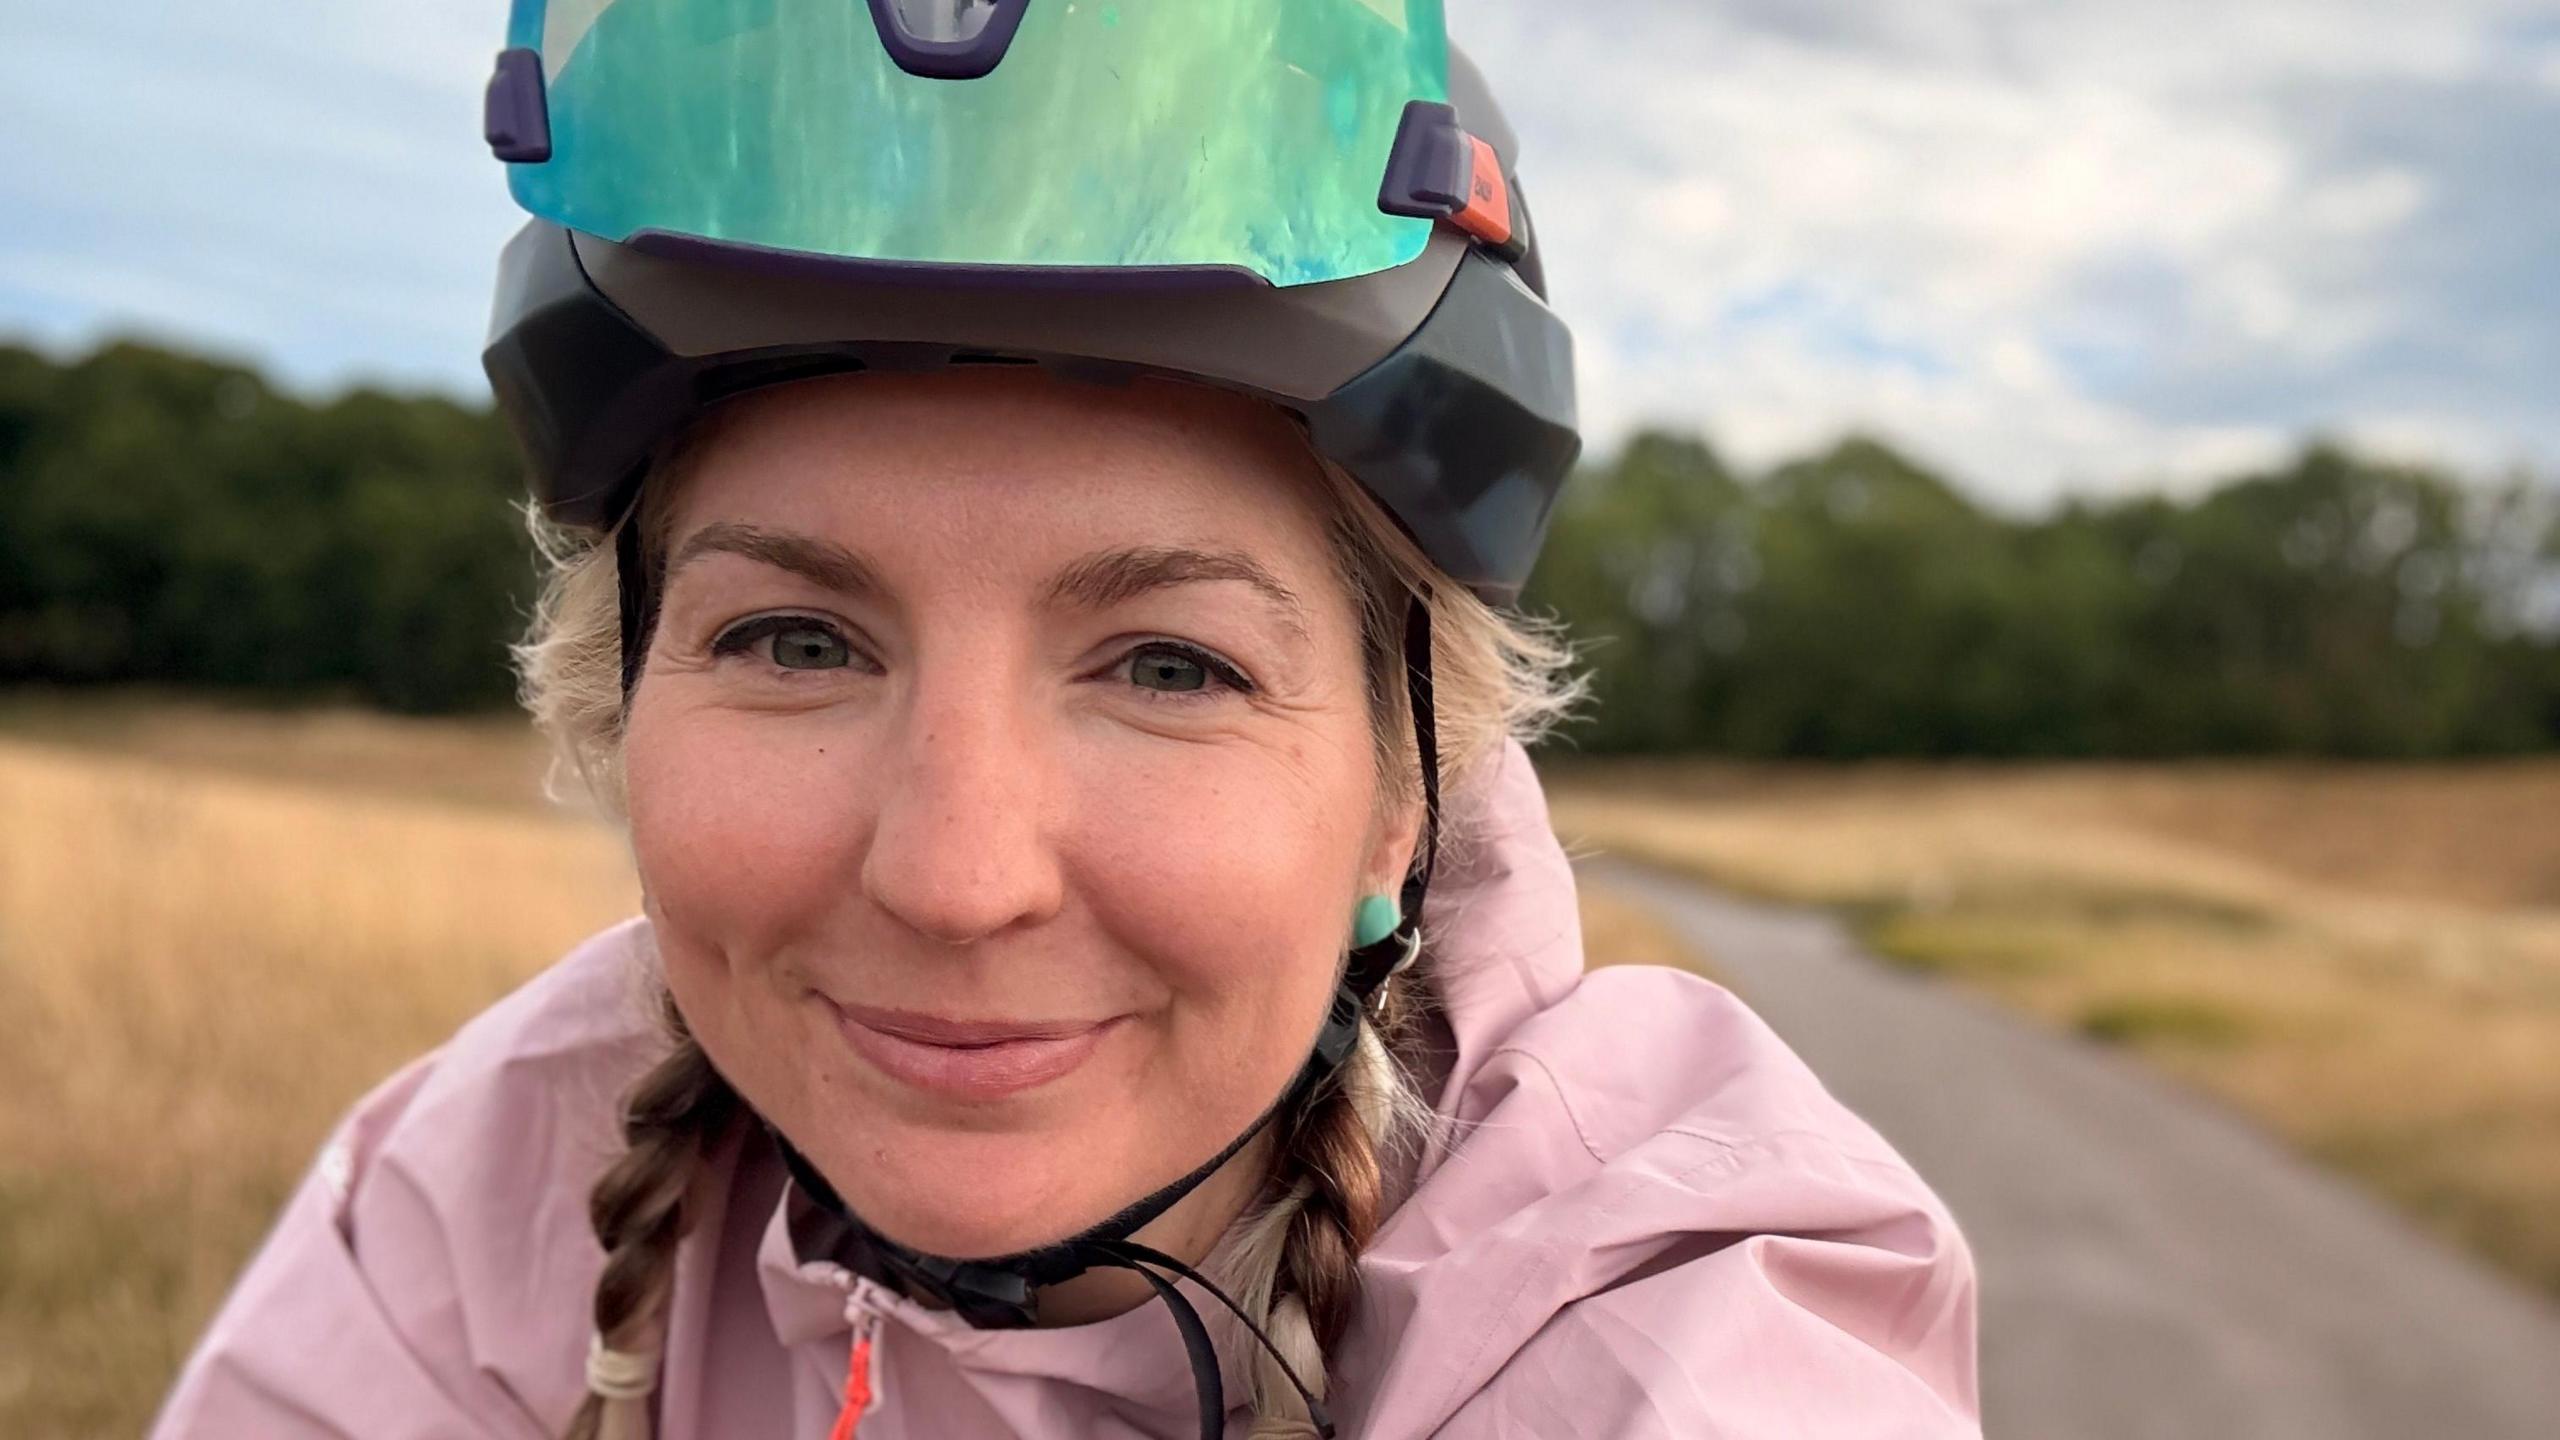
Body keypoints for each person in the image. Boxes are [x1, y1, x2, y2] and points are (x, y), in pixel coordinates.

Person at [153, 4, 1979, 1436]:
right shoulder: (482, 1193)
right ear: (617, 698)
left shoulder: (1655, 1309)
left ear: (1404, 790)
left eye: (1170, 667)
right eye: (795, 641)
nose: (956, 881)